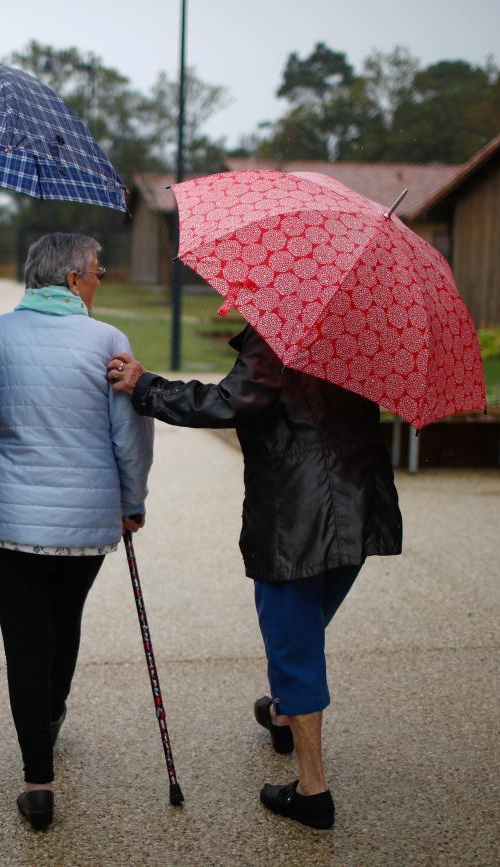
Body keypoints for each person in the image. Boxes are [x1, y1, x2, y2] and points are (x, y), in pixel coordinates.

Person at [107, 326, 401, 830]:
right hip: (360, 498)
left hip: (299, 515)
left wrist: (146, 386)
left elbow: (231, 402)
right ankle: (283, 715)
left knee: (295, 644)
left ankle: (312, 791)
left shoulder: (281, 332)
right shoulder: (359, 328)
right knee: (302, 630)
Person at [0, 233, 154, 831]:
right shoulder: (107, 341)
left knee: (25, 640)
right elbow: (131, 435)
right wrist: (134, 500)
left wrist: (6, 443)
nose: (101, 277)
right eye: (97, 269)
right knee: (63, 618)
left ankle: (37, 782)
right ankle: (52, 713)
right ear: (73, 280)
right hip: (87, 517)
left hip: (9, 517)